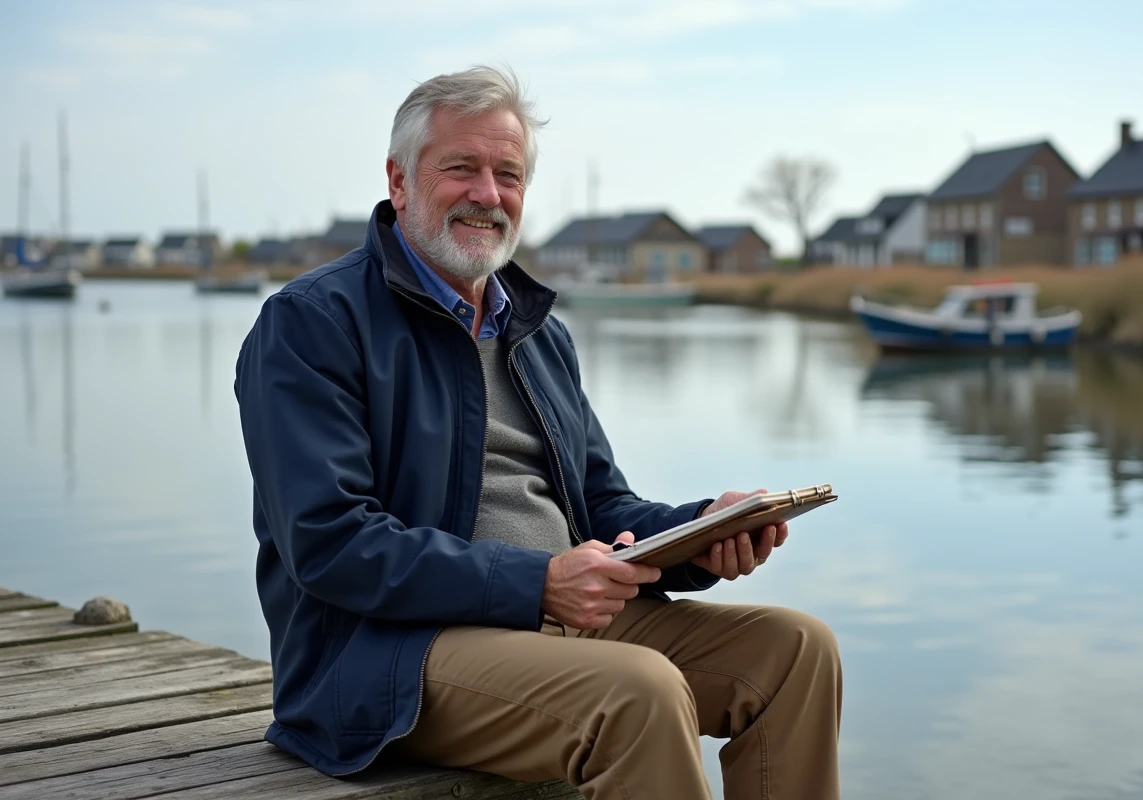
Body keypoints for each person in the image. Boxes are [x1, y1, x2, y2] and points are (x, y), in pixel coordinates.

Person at [233, 64, 842, 800]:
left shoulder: (538, 334)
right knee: (639, 691)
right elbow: (329, 543)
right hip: (388, 656)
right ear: (399, 181)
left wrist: (701, 534)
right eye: (462, 168)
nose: (488, 195)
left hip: (567, 626)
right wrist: (538, 585)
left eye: (508, 174)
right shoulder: (312, 323)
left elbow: (601, 508)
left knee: (797, 650)